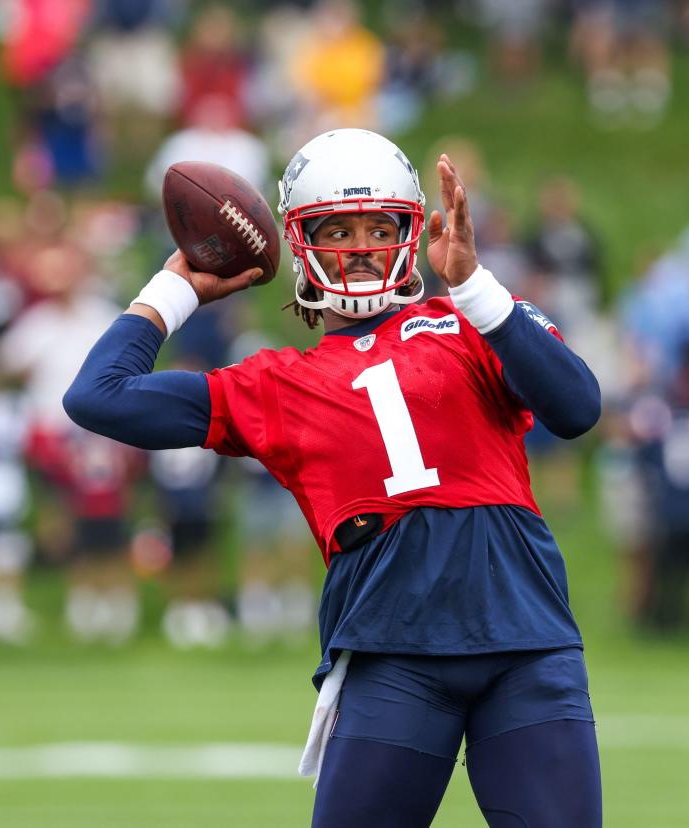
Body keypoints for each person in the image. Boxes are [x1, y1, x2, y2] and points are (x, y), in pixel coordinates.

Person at [64, 128, 603, 826]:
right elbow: (97, 396)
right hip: (393, 652)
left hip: (525, 640)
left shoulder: (473, 321)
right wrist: (175, 287)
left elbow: (577, 408)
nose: (358, 246)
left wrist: (473, 286)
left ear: (412, 231)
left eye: (378, 226)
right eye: (335, 228)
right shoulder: (277, 382)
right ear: (299, 242)